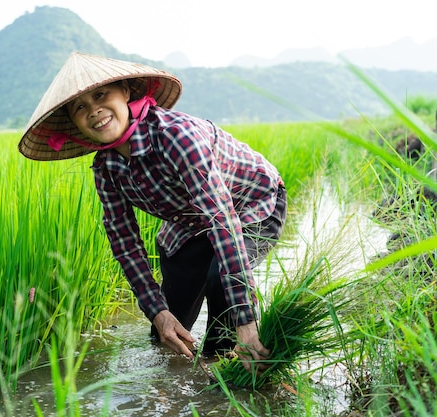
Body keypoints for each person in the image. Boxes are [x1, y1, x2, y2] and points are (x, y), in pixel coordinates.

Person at [18, 52, 286, 373]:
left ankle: (229, 359)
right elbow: (125, 244)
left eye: (101, 95)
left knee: (221, 295)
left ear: (127, 92)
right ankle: (176, 378)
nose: (94, 111)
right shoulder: (106, 168)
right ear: (74, 123)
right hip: (189, 222)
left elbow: (221, 221)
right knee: (166, 337)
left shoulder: (178, 136)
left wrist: (246, 323)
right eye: (80, 107)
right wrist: (158, 313)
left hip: (252, 203)